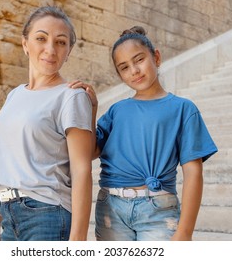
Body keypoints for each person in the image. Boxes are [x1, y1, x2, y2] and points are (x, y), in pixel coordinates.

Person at [70, 26, 218, 241]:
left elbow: (194, 173)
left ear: (156, 57)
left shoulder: (183, 109)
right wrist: (92, 109)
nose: (134, 70)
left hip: (158, 210)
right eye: (124, 67)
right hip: (111, 209)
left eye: (139, 60)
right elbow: (90, 151)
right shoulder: (116, 110)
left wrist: (185, 232)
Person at [0, 6, 93, 241]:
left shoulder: (71, 95)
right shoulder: (14, 95)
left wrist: (78, 240)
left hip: (47, 214)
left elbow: (82, 170)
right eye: (41, 38)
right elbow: (7, 162)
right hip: (7, 212)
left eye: (61, 42)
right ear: (25, 44)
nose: (50, 49)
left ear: (69, 51)